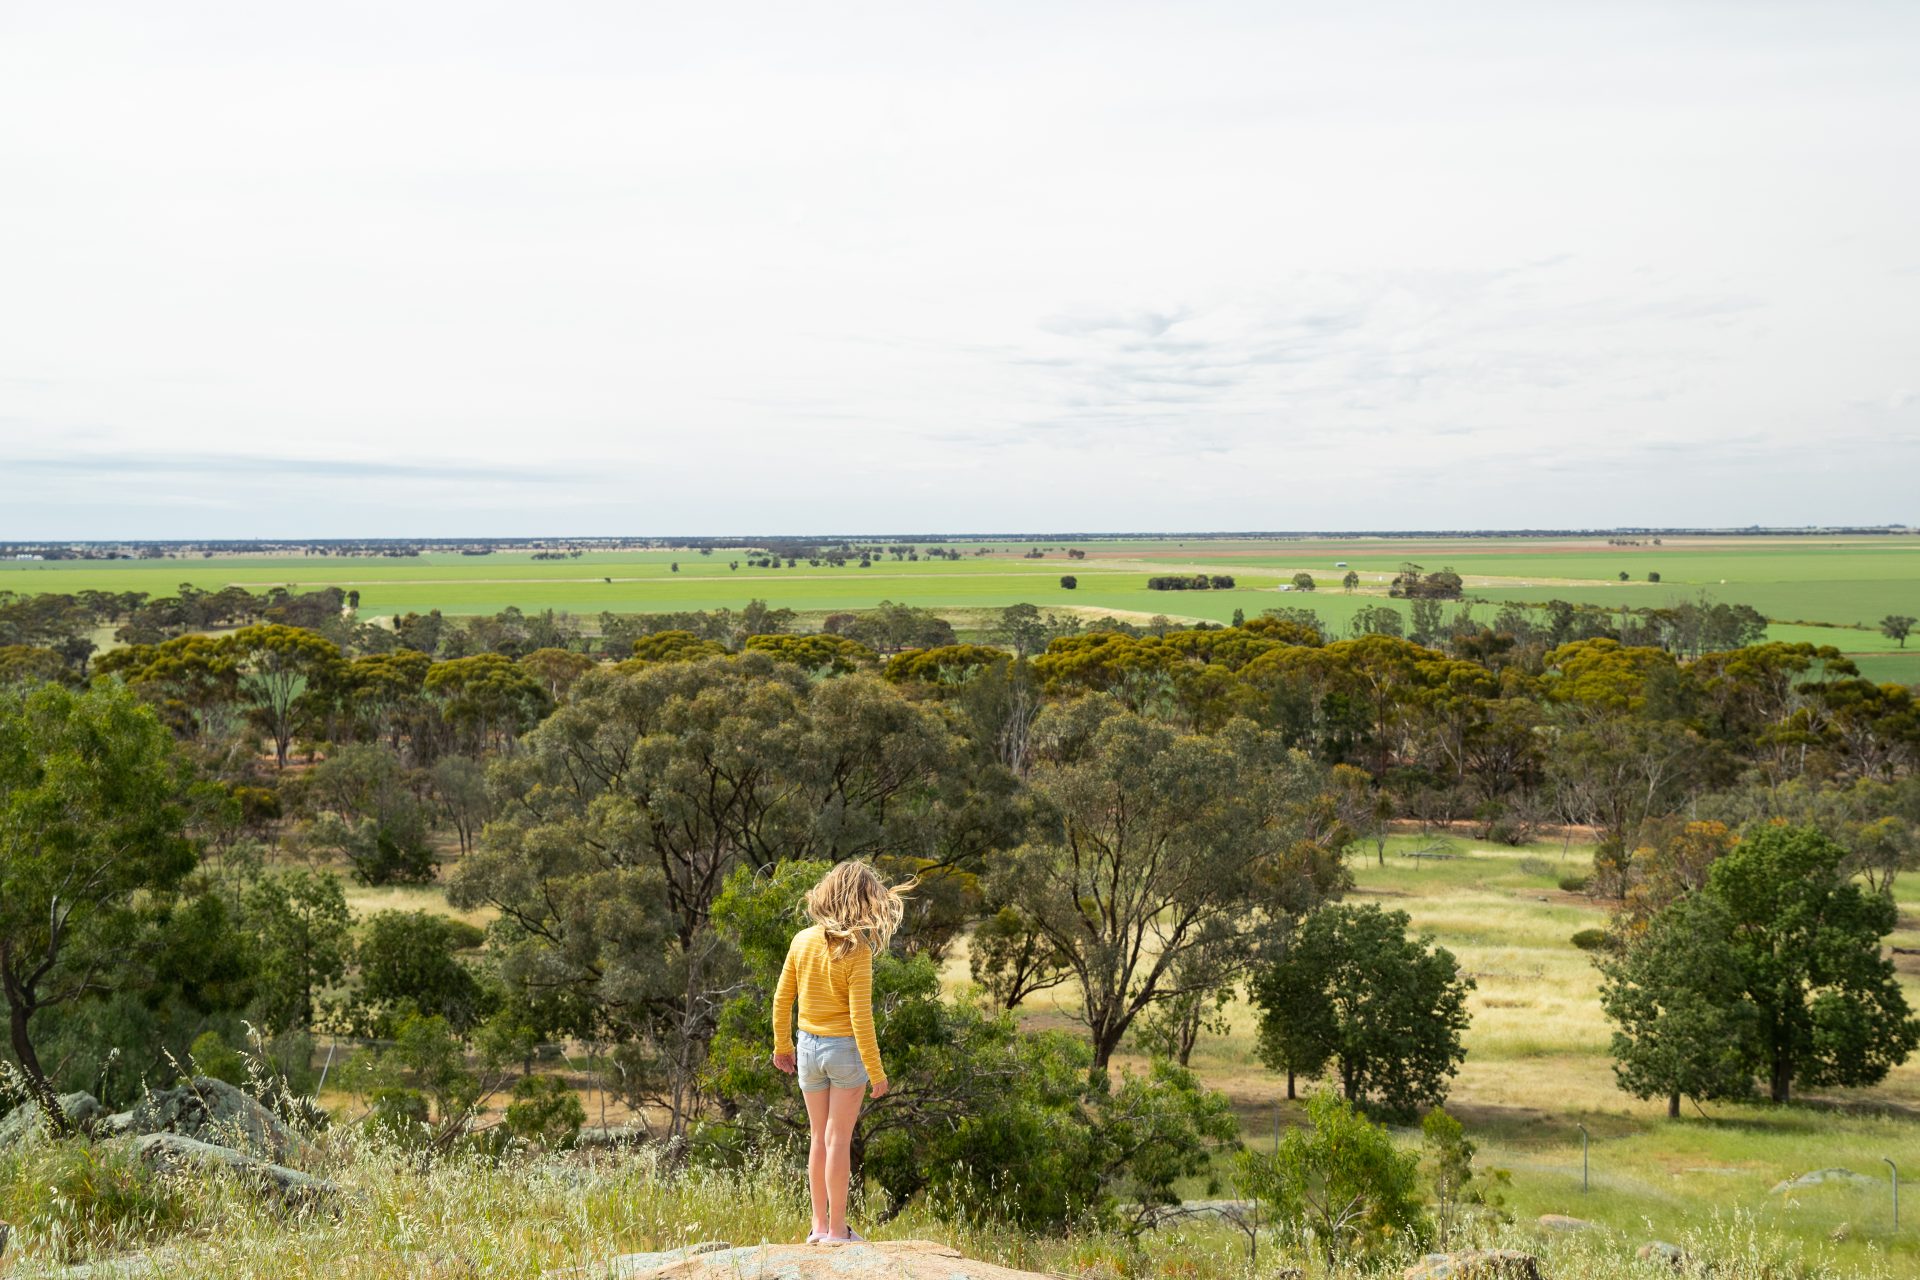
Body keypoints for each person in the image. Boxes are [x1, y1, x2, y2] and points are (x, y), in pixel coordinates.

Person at [771, 860, 907, 1244]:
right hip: (845, 1051)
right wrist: (876, 1071)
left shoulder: (801, 940)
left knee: (818, 1137)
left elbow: (782, 999)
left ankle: (817, 1227)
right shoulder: (857, 949)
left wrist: (783, 1045)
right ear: (862, 901)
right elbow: (860, 1017)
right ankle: (837, 1231)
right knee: (838, 1139)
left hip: (808, 1048)